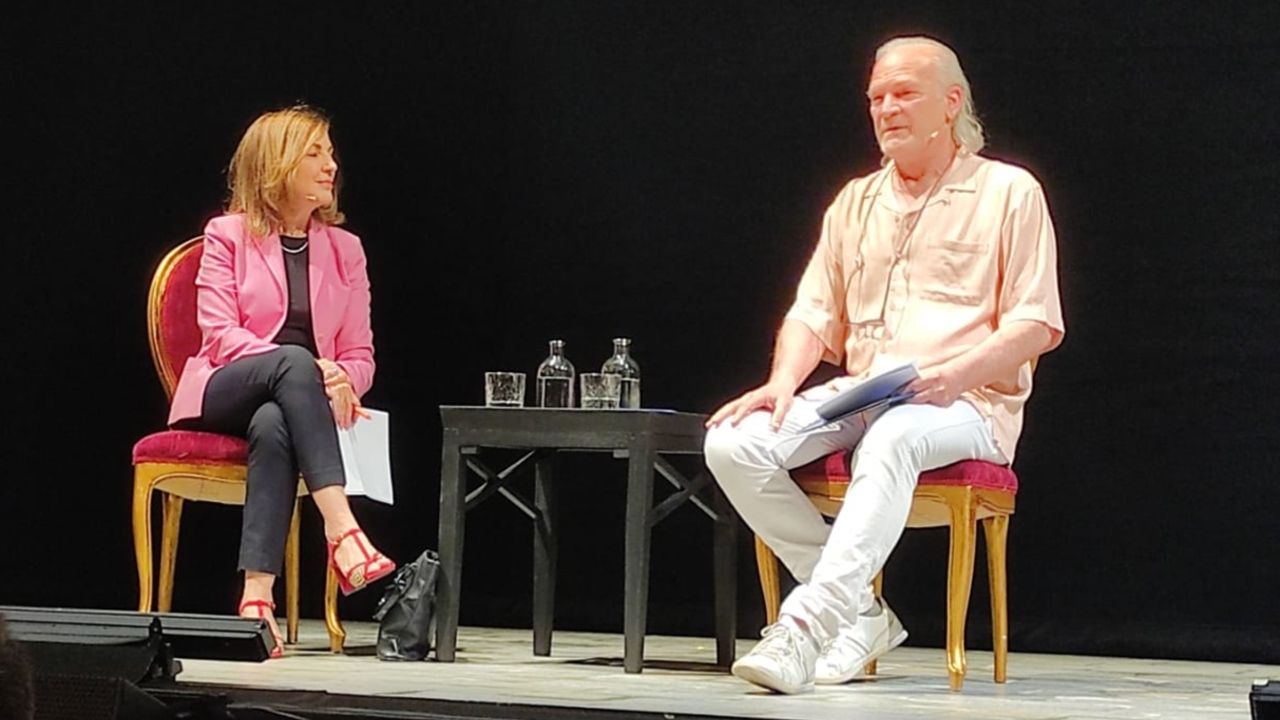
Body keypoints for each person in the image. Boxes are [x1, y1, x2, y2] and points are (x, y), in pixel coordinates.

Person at [704, 36, 1064, 694]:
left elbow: (1036, 322)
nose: (886, 109)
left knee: (894, 434)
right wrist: (781, 382)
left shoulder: (1009, 191)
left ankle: (807, 626)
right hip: (867, 392)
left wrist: (956, 375)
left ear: (951, 103)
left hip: (967, 403)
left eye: (903, 94)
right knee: (734, 442)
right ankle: (861, 614)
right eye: (876, 98)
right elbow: (812, 311)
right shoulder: (855, 201)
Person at [169, 105, 395, 657]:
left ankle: (256, 599)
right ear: (276, 164)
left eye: (331, 153)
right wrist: (313, 367)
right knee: (294, 360)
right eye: (314, 153)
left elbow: (361, 356)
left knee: (274, 425)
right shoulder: (227, 235)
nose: (331, 165)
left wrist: (341, 376)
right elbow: (220, 335)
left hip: (294, 403)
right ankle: (342, 529)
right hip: (224, 386)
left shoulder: (346, 250)